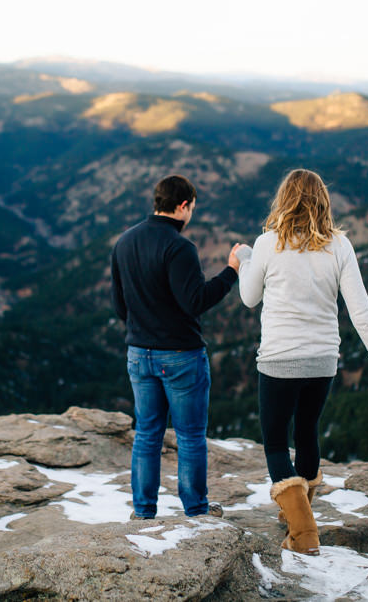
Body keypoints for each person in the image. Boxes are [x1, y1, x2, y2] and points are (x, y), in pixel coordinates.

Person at [235, 168, 368, 555]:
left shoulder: (267, 243)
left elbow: (249, 297)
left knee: (276, 444)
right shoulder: (339, 247)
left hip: (279, 360)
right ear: (323, 202)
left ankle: (304, 532)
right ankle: (299, 511)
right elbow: (362, 312)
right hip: (322, 360)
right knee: (308, 432)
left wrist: (245, 258)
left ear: (284, 200)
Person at [110, 174, 243, 519]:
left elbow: (118, 304)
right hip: (181, 355)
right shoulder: (179, 247)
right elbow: (195, 300)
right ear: (183, 205)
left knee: (147, 435)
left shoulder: (124, 242)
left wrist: (143, 327)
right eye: (193, 208)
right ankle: (196, 511)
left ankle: (143, 512)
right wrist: (231, 272)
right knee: (190, 437)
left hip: (138, 352)